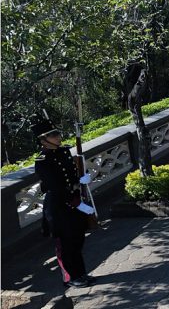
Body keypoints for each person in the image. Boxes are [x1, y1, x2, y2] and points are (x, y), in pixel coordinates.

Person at [32, 113, 95, 288]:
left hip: (73, 200)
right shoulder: (42, 161)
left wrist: (81, 180)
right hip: (58, 205)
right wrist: (78, 203)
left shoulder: (64, 152)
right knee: (66, 243)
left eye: (57, 133)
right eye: (53, 135)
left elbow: (71, 175)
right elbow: (55, 186)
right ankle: (71, 277)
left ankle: (81, 273)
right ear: (43, 140)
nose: (58, 137)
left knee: (78, 238)